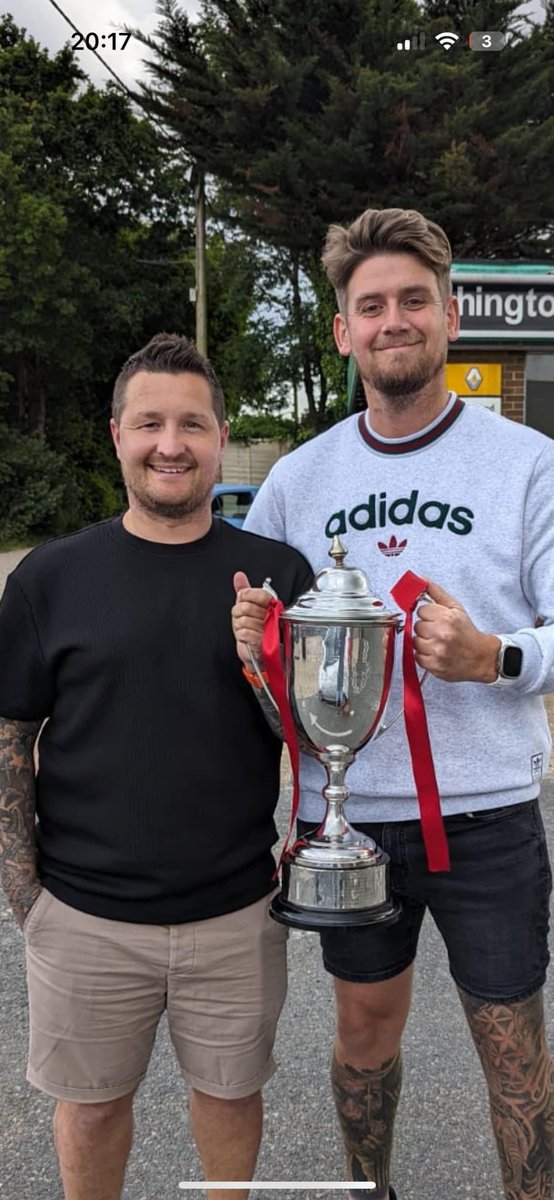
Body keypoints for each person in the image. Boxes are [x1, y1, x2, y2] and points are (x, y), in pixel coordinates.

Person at [231, 209, 554, 1200]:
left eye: (412, 300)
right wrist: (252, 650)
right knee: (361, 1031)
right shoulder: (297, 480)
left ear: (449, 317)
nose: (392, 320)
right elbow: (262, 658)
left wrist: (491, 654)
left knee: (511, 1046)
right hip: (352, 818)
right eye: (369, 306)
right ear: (342, 332)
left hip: (488, 814)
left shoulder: (525, 465)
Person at [0, 333, 312, 1200]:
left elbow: (315, 737)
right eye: (149, 423)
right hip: (86, 917)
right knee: (92, 1110)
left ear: (220, 438)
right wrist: (26, 892)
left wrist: (262, 660)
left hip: (234, 911)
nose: (169, 443)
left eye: (192, 424)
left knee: (229, 1096)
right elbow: (10, 733)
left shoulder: (276, 579)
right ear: (116, 435)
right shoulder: (48, 579)